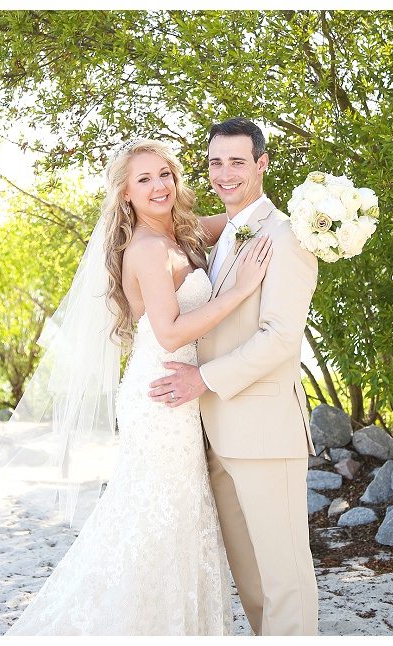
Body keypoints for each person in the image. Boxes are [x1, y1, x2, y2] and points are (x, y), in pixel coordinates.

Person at [0, 138, 272, 635]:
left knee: (178, 515)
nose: (158, 185)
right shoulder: (147, 248)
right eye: (143, 179)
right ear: (125, 193)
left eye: (164, 174)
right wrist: (240, 289)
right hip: (161, 394)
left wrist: (315, 217)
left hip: (183, 390)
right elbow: (168, 332)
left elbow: (241, 218)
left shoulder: (181, 234)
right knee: (157, 516)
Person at [147, 118, 320, 636]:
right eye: (216, 162)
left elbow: (280, 339)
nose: (224, 174)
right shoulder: (223, 233)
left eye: (237, 162)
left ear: (262, 164)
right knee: (251, 582)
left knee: (285, 579)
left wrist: (203, 380)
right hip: (214, 433)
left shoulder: (286, 237)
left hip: (265, 432)